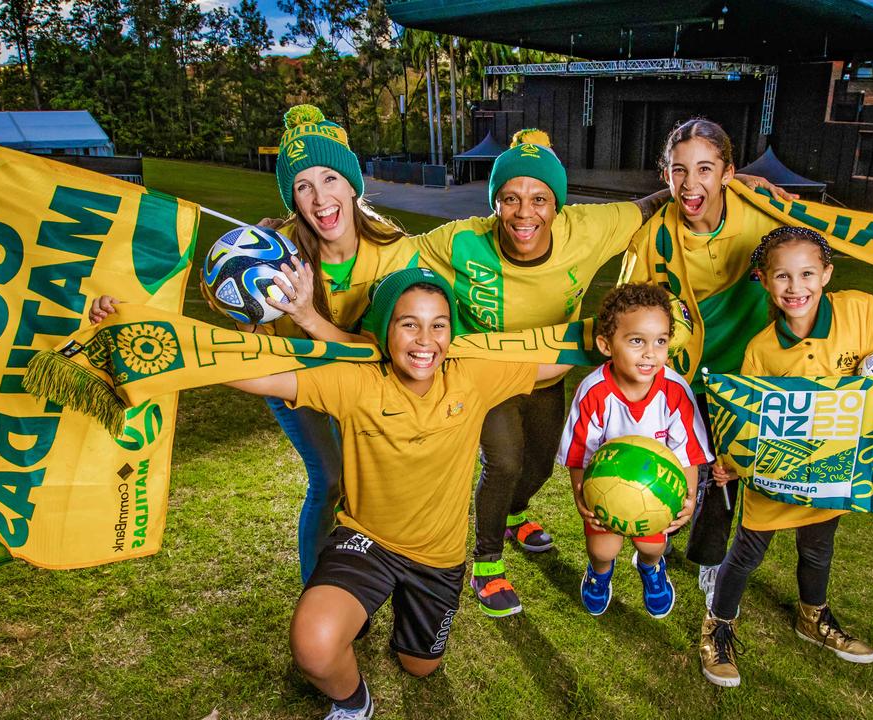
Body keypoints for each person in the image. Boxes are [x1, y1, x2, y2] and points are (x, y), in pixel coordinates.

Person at [97, 268, 571, 719]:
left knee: (419, 667)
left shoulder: (473, 376)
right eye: (409, 325)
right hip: (368, 541)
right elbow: (261, 375)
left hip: (439, 557)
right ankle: (352, 702)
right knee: (315, 645)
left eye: (438, 325)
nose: (426, 341)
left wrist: (632, 339)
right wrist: (132, 330)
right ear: (383, 331)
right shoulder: (356, 381)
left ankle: (409, 623)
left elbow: (554, 358)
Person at [411, 128, 787, 618]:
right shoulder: (464, 240)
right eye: (510, 198)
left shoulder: (586, 229)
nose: (525, 212)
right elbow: (393, 252)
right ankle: (487, 561)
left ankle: (516, 515)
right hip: (489, 375)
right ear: (495, 201)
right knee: (503, 462)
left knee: (539, 465)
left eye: (540, 198)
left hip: (546, 373)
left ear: (557, 205)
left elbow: (650, 204)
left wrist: (736, 185)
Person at [699, 227, 873, 688]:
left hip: (835, 470)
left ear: (827, 274)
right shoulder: (761, 349)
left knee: (818, 547)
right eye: (782, 276)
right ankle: (717, 627)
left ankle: (813, 618)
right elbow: (752, 421)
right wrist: (731, 463)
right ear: (763, 280)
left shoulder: (858, 310)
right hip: (778, 472)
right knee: (747, 552)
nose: (795, 287)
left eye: (806, 274)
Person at [618, 117, 807, 611]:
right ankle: (659, 550)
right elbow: (628, 308)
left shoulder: (765, 218)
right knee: (688, 466)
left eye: (705, 169)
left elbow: (805, 269)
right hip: (682, 372)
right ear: (665, 174)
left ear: (727, 172)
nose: (690, 183)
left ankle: (710, 560)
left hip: (750, 372)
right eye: (679, 170)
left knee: (732, 469)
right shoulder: (652, 238)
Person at [229, 104, 420, 583]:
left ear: (352, 184)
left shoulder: (396, 251)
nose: (319, 198)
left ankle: (363, 580)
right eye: (303, 186)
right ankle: (318, 585)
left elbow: (382, 350)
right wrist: (240, 299)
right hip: (298, 381)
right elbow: (253, 344)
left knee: (371, 487)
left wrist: (310, 317)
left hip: (365, 381)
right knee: (330, 479)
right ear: (292, 198)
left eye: (330, 178)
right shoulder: (274, 249)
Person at [556, 283, 710, 619]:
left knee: (652, 545)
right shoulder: (593, 392)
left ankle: (651, 569)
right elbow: (580, 455)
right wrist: (582, 496)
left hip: (656, 490)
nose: (650, 353)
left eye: (661, 341)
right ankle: (598, 574)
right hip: (605, 490)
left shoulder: (675, 391)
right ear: (606, 345)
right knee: (603, 548)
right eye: (637, 341)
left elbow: (688, 454)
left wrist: (688, 498)